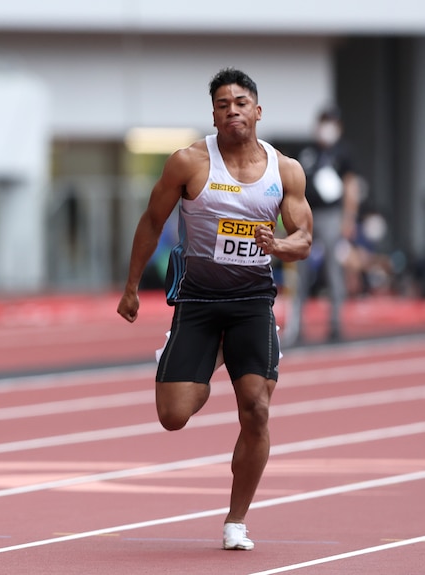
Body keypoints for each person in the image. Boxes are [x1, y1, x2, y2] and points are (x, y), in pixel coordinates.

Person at [116, 68, 313, 551]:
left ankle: (236, 521)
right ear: (214, 114)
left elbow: (304, 240)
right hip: (200, 301)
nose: (233, 111)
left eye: (241, 103)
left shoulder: (284, 170)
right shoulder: (189, 163)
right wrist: (131, 285)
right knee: (173, 415)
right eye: (223, 104)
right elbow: (151, 219)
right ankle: (204, 356)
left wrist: (279, 245)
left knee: (257, 410)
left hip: (252, 303)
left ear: (258, 111)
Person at [286, 107, 360, 343]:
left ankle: (335, 324)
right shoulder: (308, 151)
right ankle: (297, 326)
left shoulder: (344, 152)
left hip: (331, 215)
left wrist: (348, 218)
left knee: (332, 268)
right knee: (302, 268)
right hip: (307, 212)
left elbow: (351, 185)